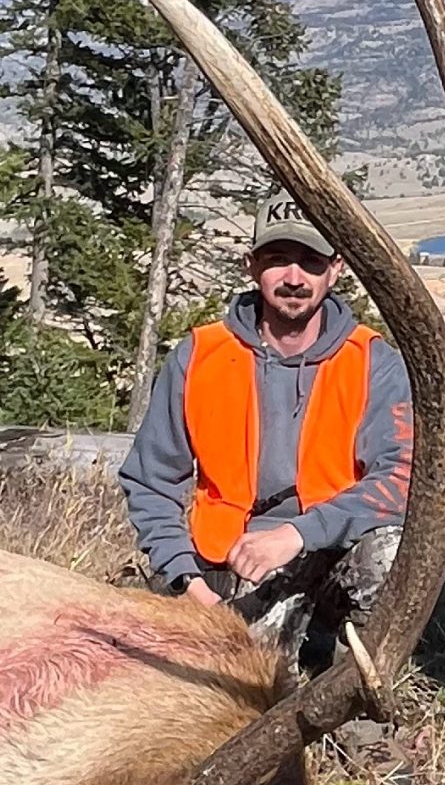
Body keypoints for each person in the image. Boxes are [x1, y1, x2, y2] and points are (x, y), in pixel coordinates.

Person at [121, 197, 412, 632]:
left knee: (388, 554)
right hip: (228, 566)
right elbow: (150, 481)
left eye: (311, 262)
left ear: (336, 268)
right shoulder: (200, 357)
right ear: (251, 266)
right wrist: (187, 582)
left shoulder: (372, 362)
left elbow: (398, 478)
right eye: (278, 260)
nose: (294, 278)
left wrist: (296, 534)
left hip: (334, 550)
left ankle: (350, 677)